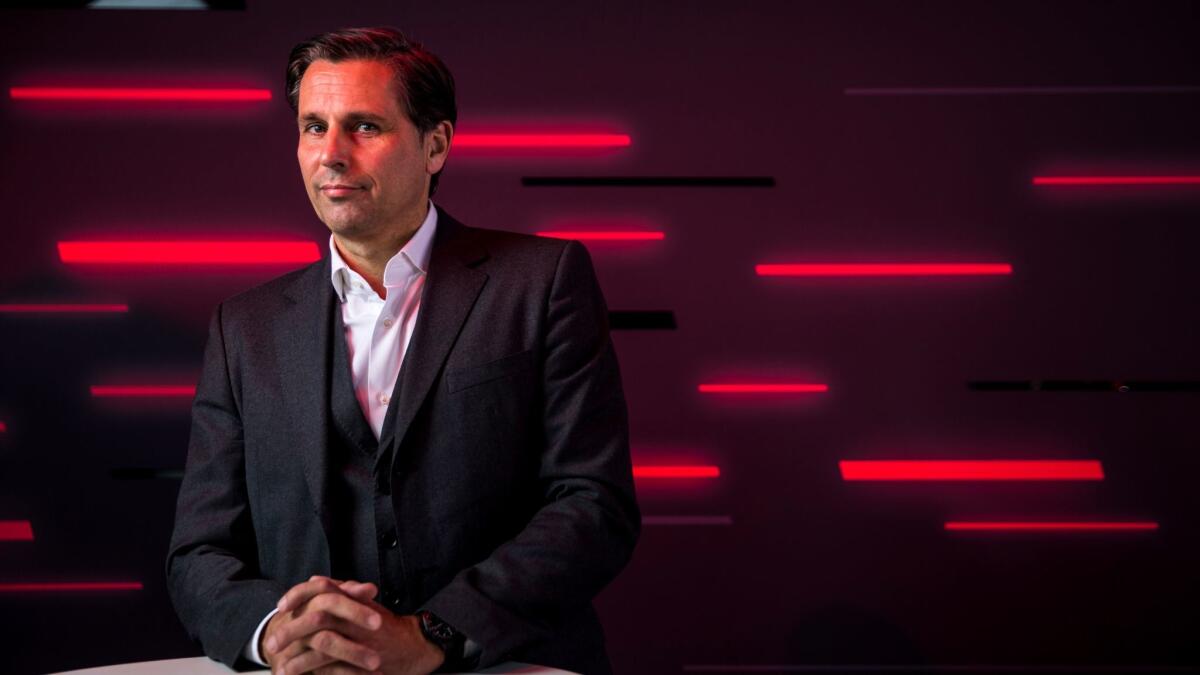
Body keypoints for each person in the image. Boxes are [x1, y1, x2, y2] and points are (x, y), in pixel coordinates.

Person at [165, 26, 640, 675]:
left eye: (363, 127)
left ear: (436, 144)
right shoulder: (243, 327)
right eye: (312, 126)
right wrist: (274, 630)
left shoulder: (543, 280)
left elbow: (593, 504)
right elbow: (199, 549)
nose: (330, 155)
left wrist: (435, 632)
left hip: (503, 665)